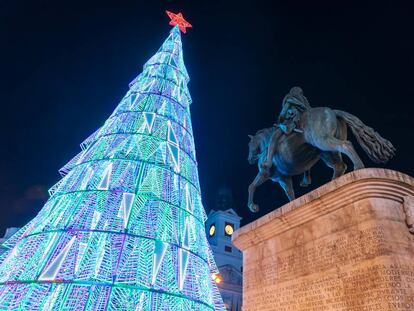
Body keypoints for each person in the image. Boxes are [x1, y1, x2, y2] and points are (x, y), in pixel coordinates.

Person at [262, 87, 311, 171]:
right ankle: (306, 174)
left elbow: (282, 114)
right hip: (303, 121)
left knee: (273, 138)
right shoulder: (304, 101)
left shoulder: (289, 100)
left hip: (290, 123)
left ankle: (269, 161)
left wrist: (280, 120)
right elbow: (309, 110)